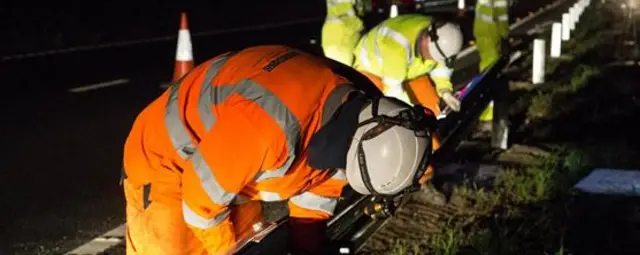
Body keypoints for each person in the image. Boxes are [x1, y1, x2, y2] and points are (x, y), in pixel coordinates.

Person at [120, 45, 439, 255]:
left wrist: (308, 247)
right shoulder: (270, 123)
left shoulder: (356, 116)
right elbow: (201, 202)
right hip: (165, 159)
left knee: (251, 240)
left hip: (229, 165)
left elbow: (319, 188)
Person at [352, 13, 465, 117]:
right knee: (392, 115)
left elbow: (440, 66)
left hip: (408, 72)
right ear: (426, 39)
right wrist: (411, 114)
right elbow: (394, 91)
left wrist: (445, 90)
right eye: (431, 54)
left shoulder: (439, 34)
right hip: (372, 73)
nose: (432, 59)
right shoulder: (397, 46)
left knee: (431, 111)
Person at [473, 0, 516, 150]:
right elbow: (501, 12)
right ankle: (487, 119)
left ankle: (485, 116)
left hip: (484, 29)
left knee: (488, 73)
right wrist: (505, 37)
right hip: (491, 31)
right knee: (491, 75)